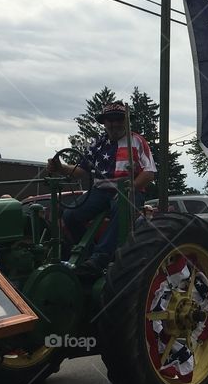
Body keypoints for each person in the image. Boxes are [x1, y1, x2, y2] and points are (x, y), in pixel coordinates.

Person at [48, 101, 156, 274]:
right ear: (104, 123)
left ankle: (101, 258)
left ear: (126, 121)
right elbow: (80, 170)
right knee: (70, 214)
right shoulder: (97, 144)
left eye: (119, 119)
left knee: (120, 208)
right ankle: (87, 254)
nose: (115, 123)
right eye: (110, 120)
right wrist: (60, 167)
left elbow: (149, 173)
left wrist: (133, 186)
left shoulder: (136, 141)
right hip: (99, 191)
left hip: (128, 190)